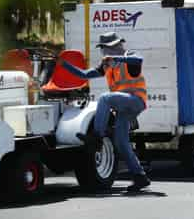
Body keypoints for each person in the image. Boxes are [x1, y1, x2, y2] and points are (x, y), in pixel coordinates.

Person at [60, 32, 150, 192]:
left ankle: (97, 137)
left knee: (105, 98)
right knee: (121, 143)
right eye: (102, 49)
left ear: (115, 46)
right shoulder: (107, 65)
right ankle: (140, 177)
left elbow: (139, 59)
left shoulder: (130, 57)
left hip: (136, 101)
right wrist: (64, 64)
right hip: (123, 108)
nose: (103, 52)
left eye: (104, 48)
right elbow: (84, 74)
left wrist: (119, 59)